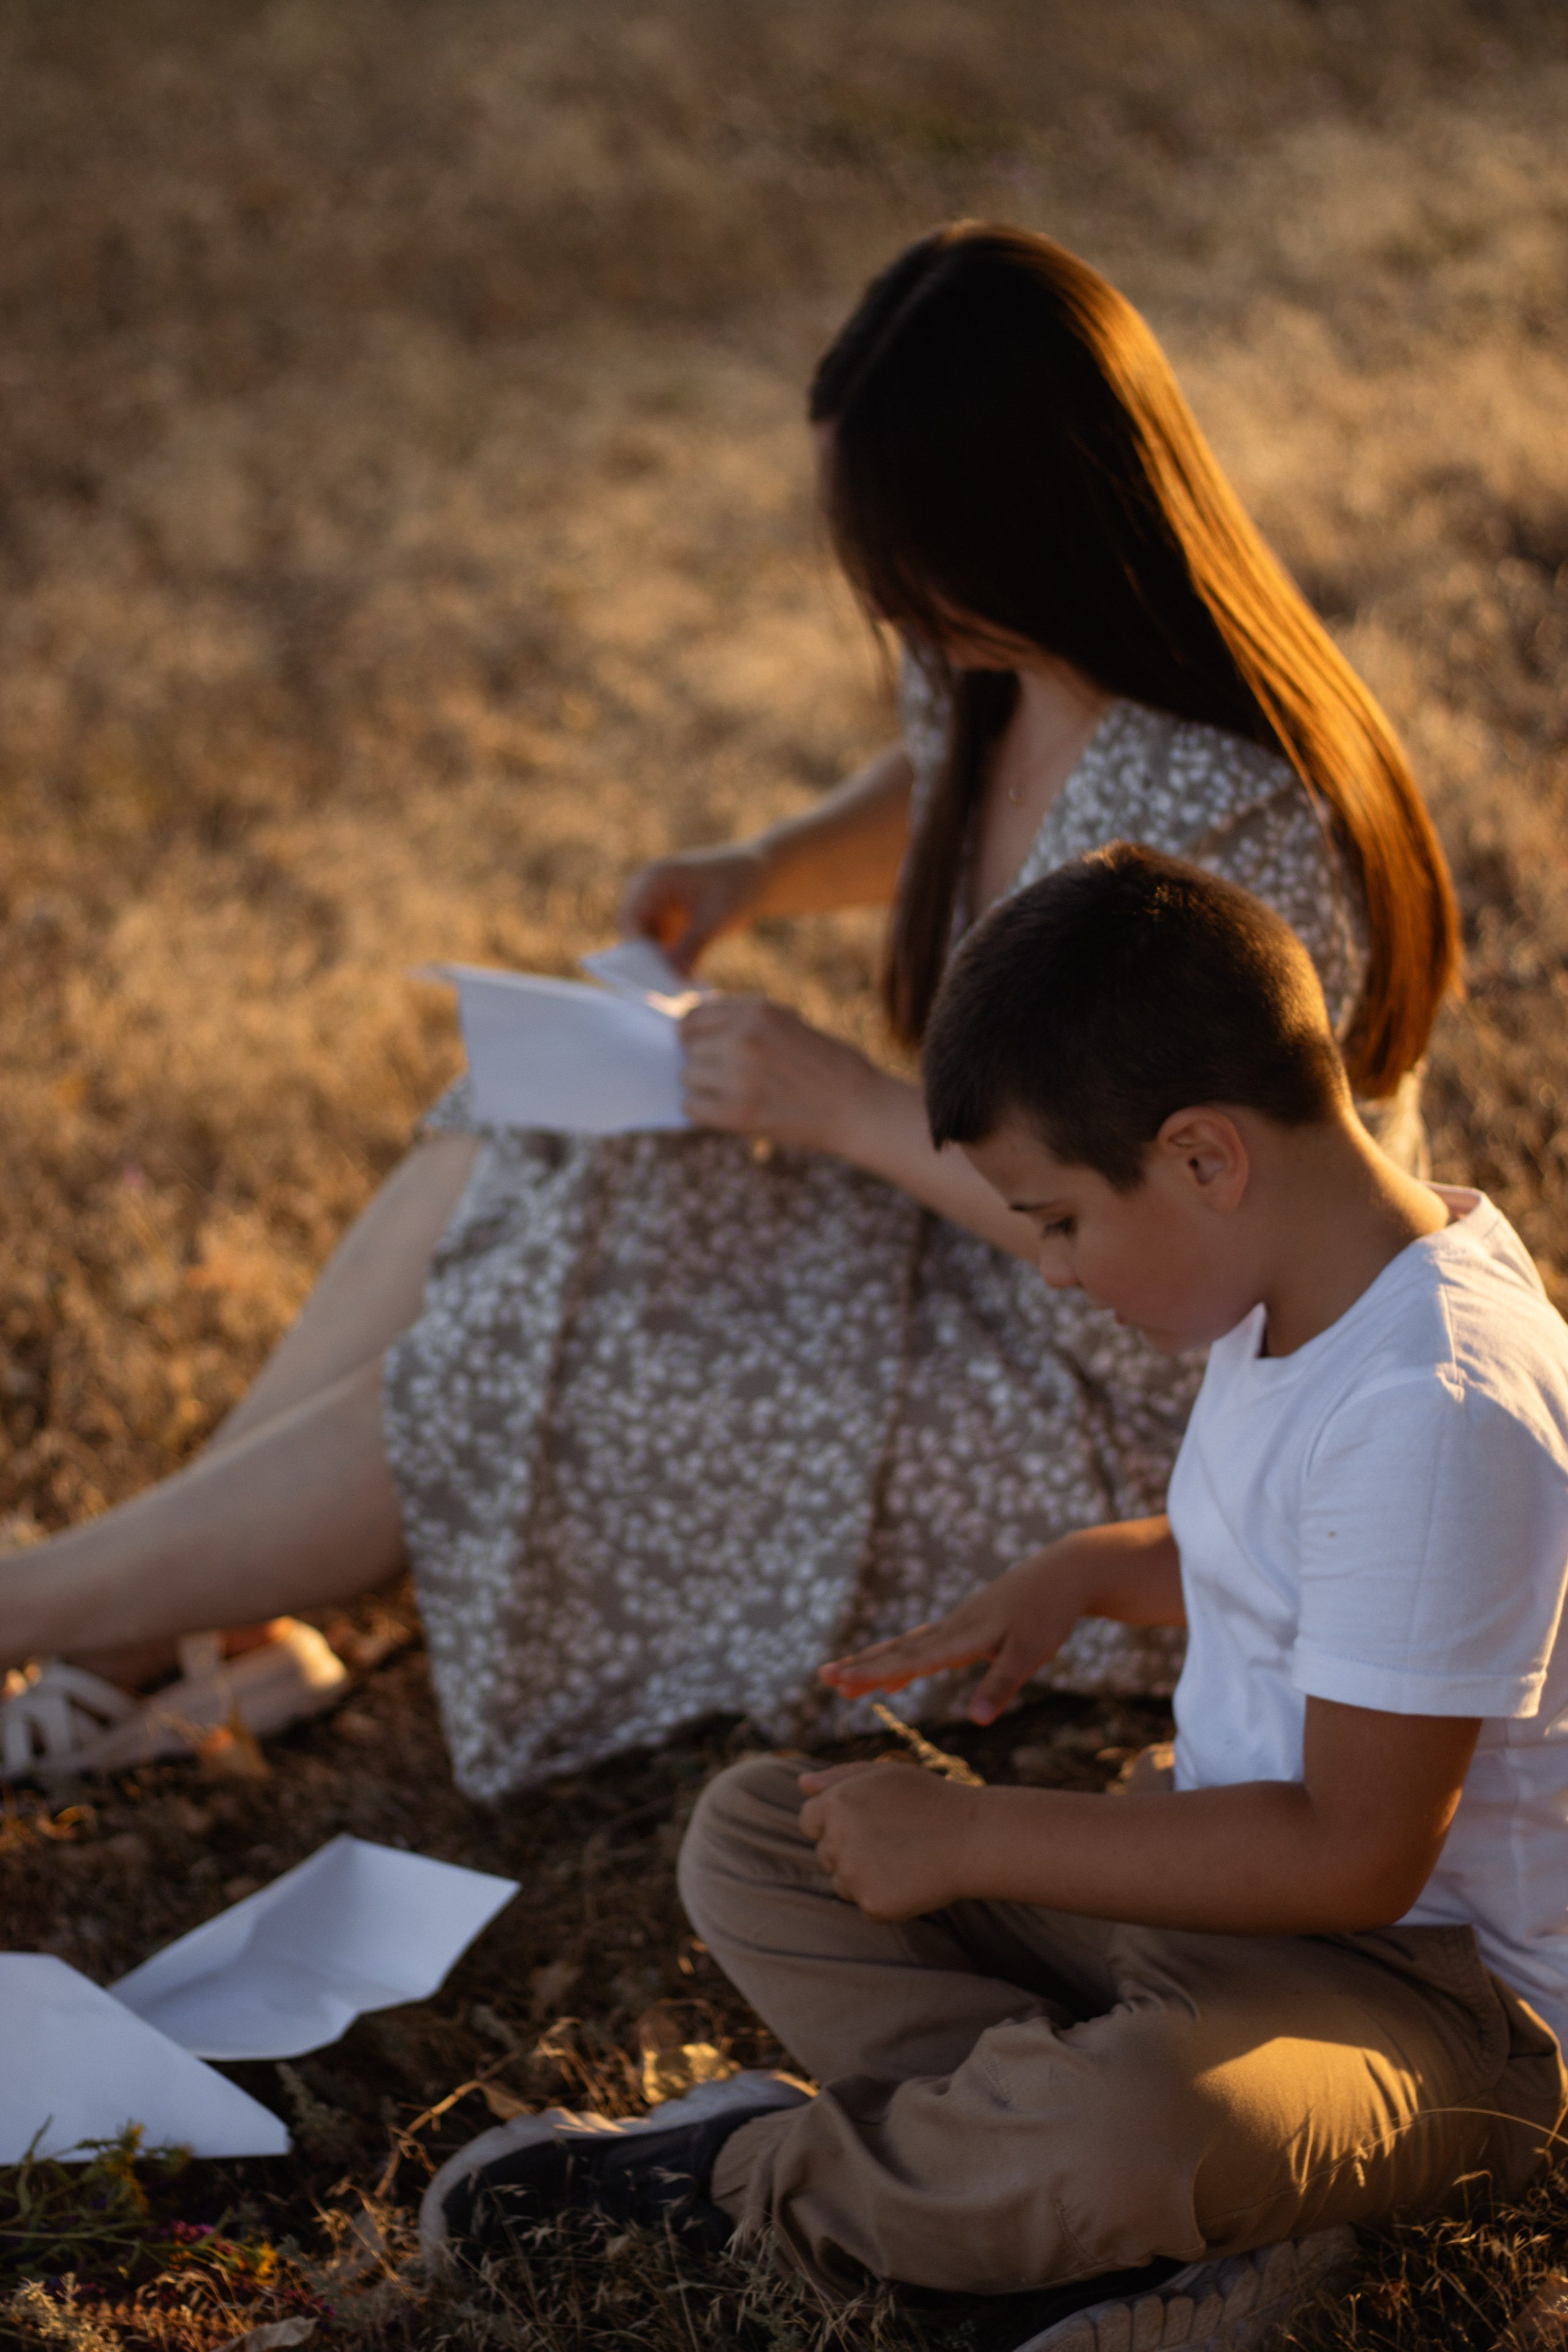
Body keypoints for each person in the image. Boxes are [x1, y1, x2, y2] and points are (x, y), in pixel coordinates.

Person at [0, 223, 1458, 1796]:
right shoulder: (1003, 656)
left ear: (1032, 530)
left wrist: (836, 1102)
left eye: (911, 565)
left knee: (553, 1350)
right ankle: (168, 1631)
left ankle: (58, 1617)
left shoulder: (1240, 823)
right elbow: (949, 785)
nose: (890, 607)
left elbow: (1161, 1216)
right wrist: (758, 870)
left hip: (1146, 1393)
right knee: (543, 1130)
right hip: (1002, 1253)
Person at [420, 848, 1568, 2352]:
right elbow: (1315, 1566)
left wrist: (973, 1835)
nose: (1050, 1272)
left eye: (1056, 1221)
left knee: (1133, 2119)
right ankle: (1092, 2217)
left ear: (1202, 1156)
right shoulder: (1314, 1286)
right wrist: (1086, 1571)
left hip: (1443, 2013)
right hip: (1236, 1927)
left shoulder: (1441, 1400)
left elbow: (1354, 1856)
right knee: (765, 1836)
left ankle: (758, 2177)